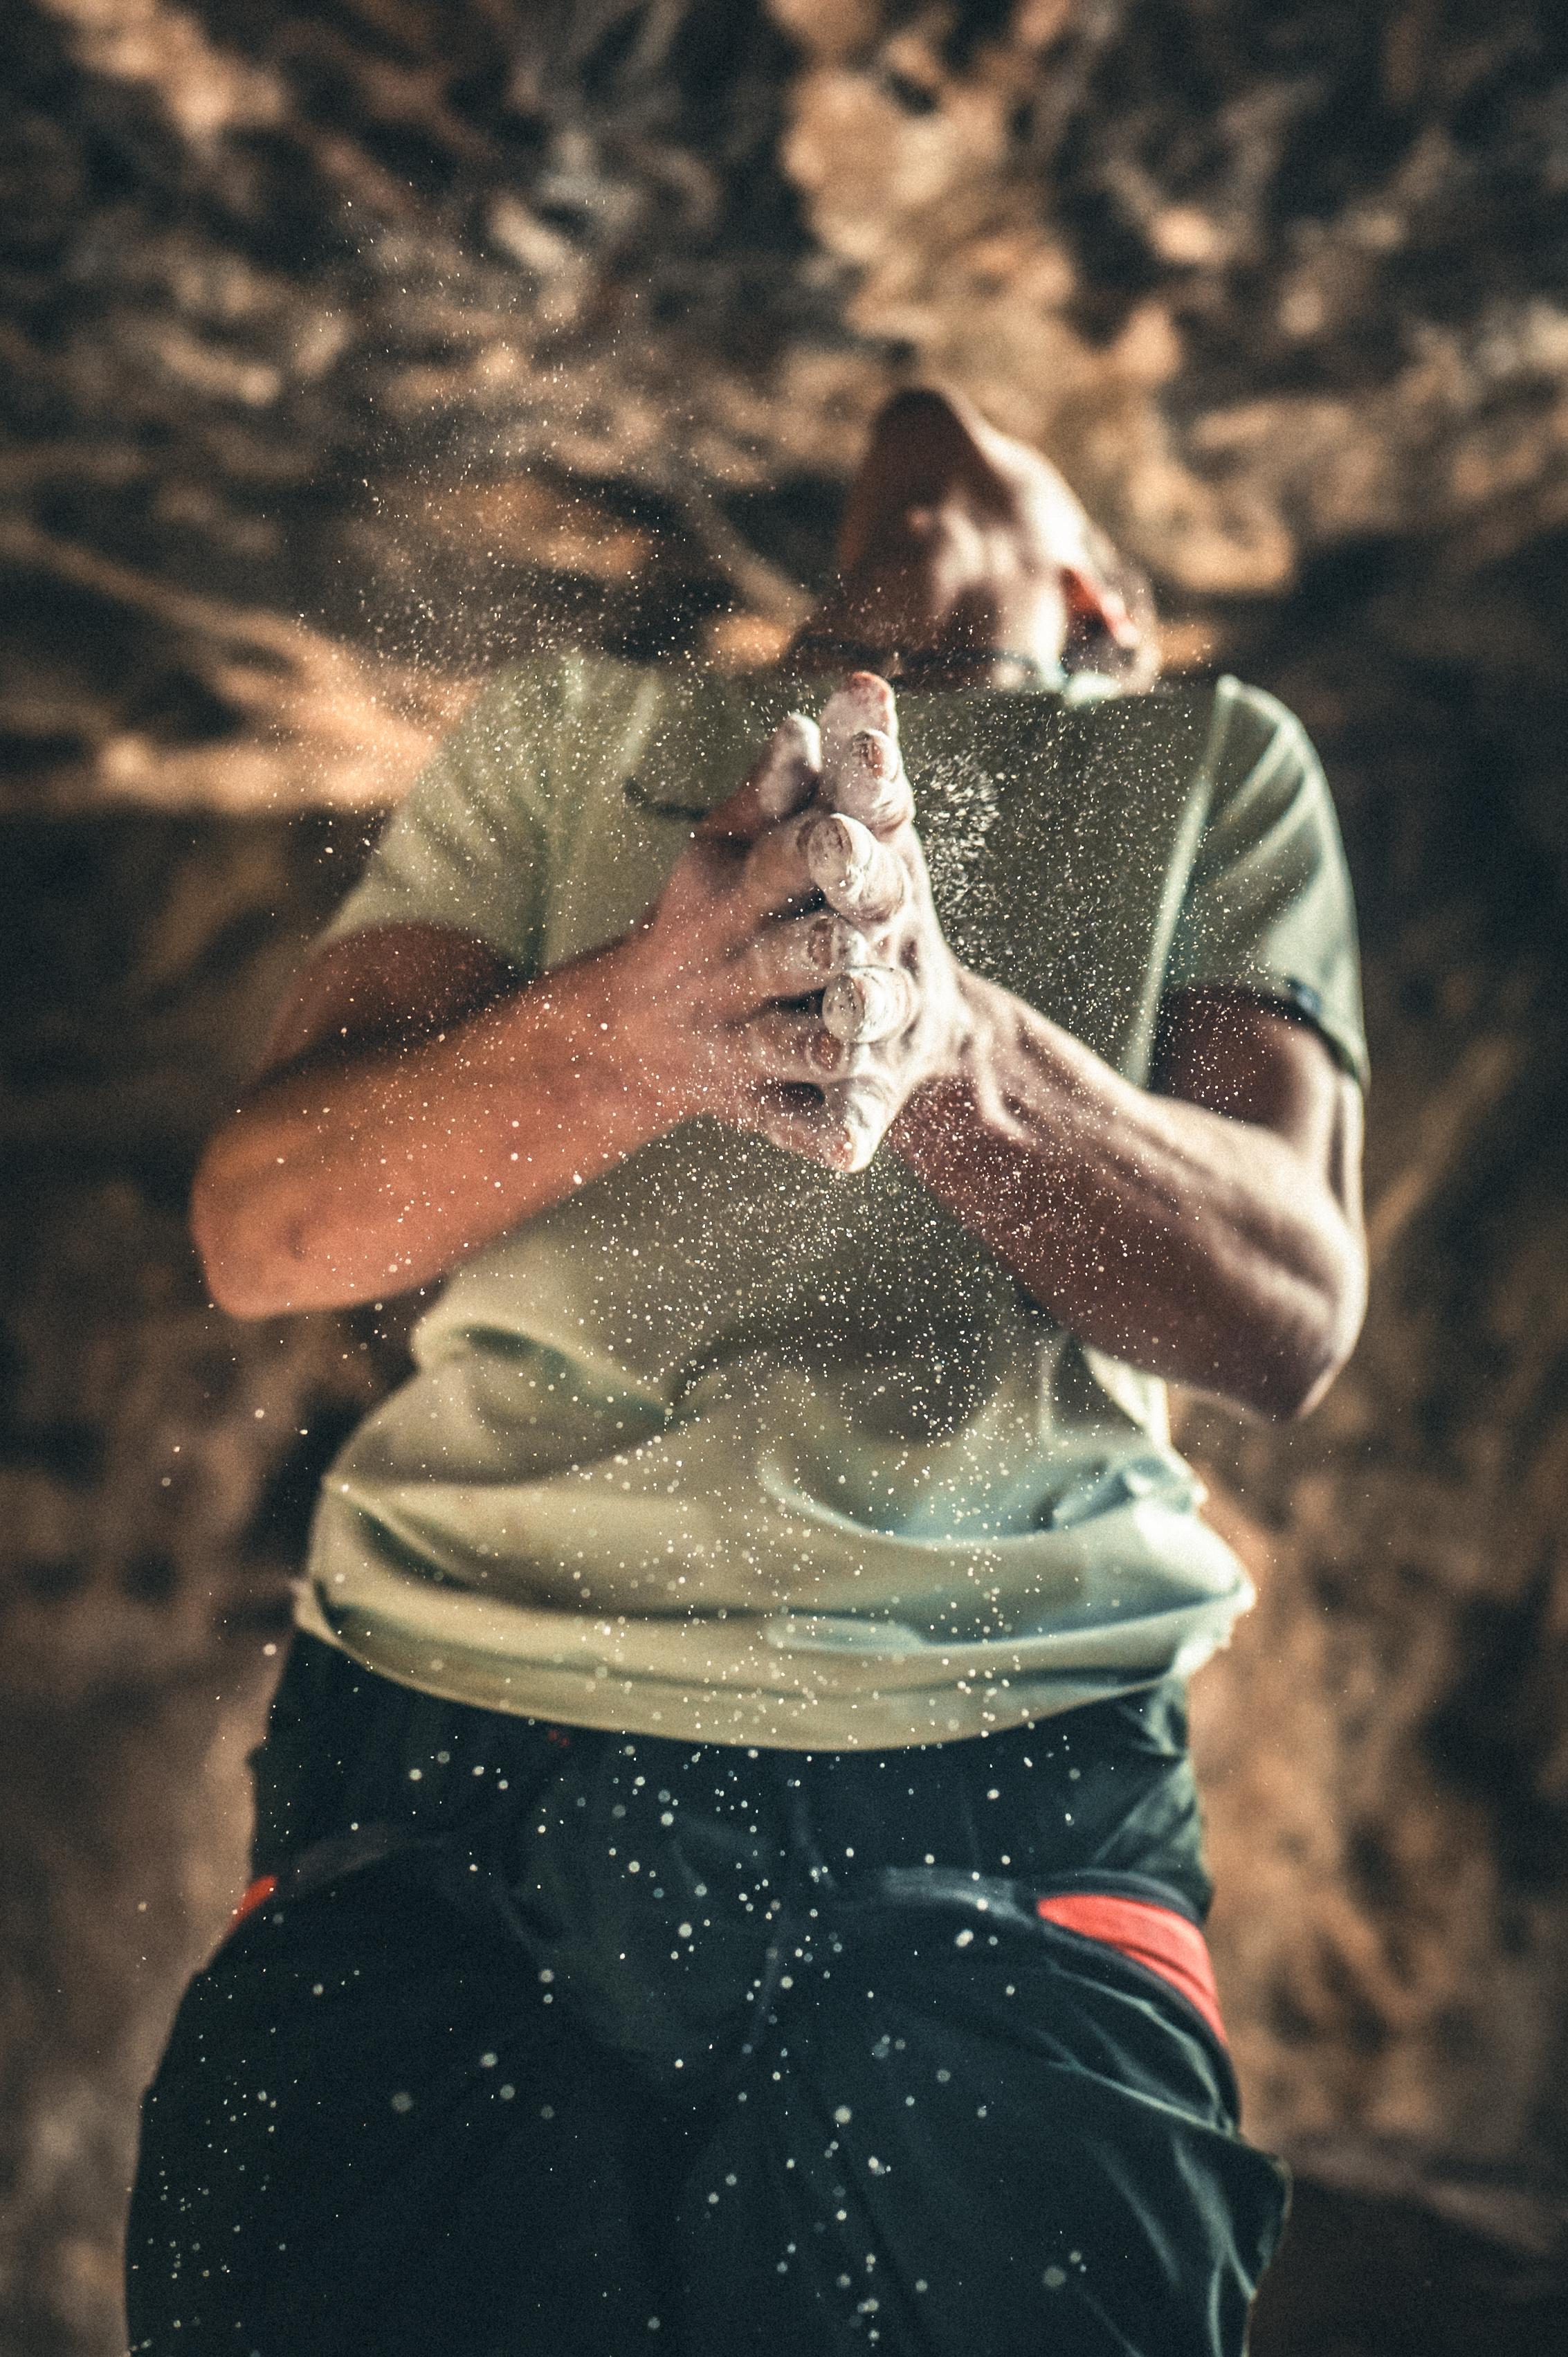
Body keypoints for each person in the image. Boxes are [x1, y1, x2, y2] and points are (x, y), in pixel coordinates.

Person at [127, 388, 1368, 2356]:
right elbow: (265, 1228)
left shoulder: (1204, 757)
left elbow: (1289, 1304)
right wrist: (636, 1030)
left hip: (1000, 1774)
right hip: (453, 1739)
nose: (924, 416)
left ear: (1108, 603)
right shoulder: (568, 731)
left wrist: (950, 1049)